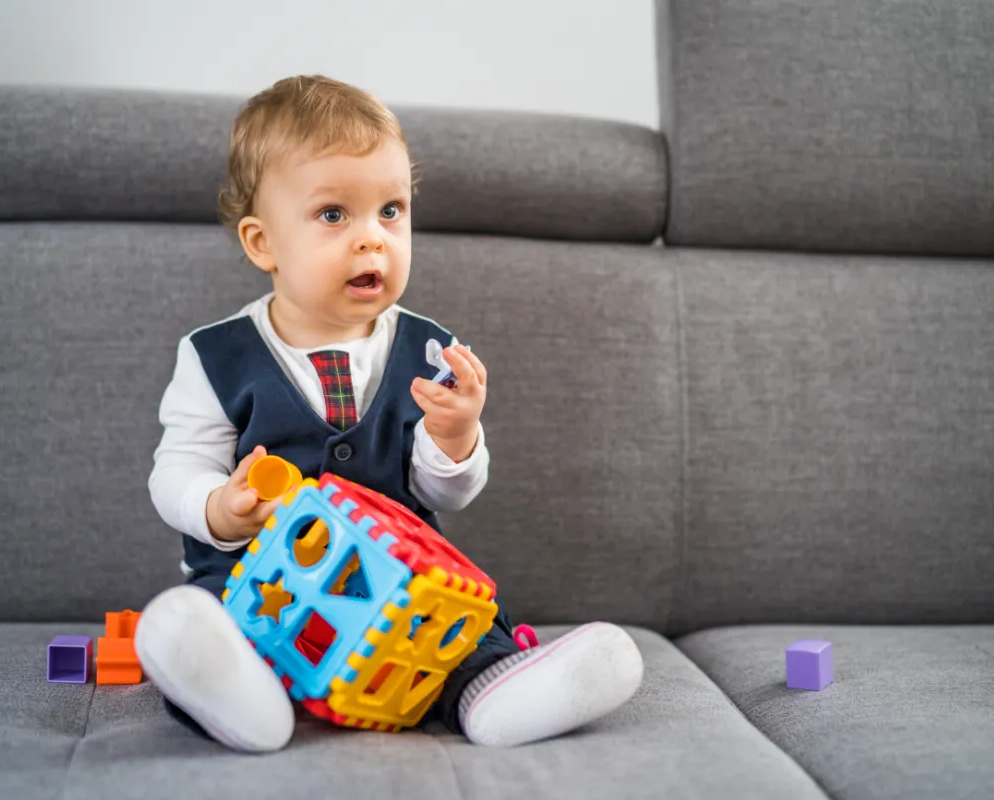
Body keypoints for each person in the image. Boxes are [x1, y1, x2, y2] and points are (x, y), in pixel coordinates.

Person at [133, 75, 644, 753]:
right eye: (335, 215)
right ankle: (241, 697)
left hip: (400, 582)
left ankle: (493, 693)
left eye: (392, 211)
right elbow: (176, 471)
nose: (373, 239)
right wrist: (219, 509)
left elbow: (446, 494)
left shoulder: (428, 349)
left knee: (465, 628)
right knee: (204, 620)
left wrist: (455, 436)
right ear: (263, 244)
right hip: (268, 582)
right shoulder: (214, 356)